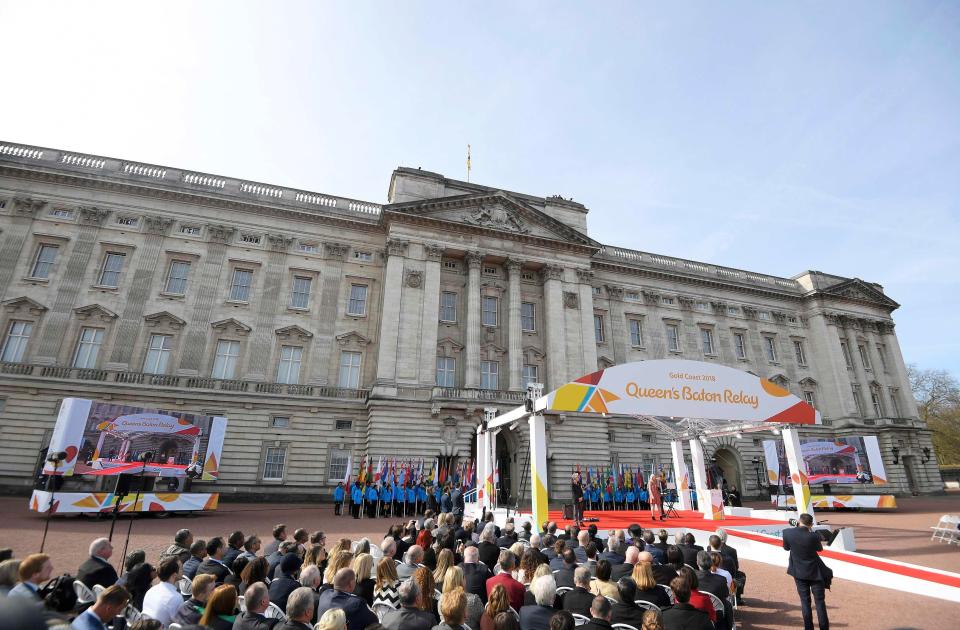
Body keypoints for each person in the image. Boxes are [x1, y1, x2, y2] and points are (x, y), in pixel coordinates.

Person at [783, 512, 831, 630]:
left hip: (799, 573)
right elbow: (819, 549)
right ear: (811, 524)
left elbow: (786, 548)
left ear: (799, 521)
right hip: (815, 574)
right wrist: (810, 531)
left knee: (805, 602)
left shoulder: (787, 532)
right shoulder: (814, 536)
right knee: (820, 603)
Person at [141, 557, 182, 626]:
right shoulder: (176, 598)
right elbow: (181, 625)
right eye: (181, 568)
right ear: (174, 575)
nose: (183, 570)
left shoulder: (151, 591)